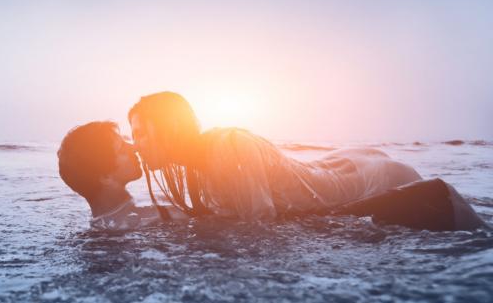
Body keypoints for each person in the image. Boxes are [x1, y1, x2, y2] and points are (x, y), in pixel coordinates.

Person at [128, 91, 487, 231]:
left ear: (168, 128)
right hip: (340, 170)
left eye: (141, 132)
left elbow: (261, 229)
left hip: (378, 178)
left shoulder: (227, 145)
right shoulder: (199, 167)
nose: (136, 144)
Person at [57, 121, 186, 229]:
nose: (134, 148)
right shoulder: (155, 217)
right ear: (105, 177)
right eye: (122, 149)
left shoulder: (100, 224)